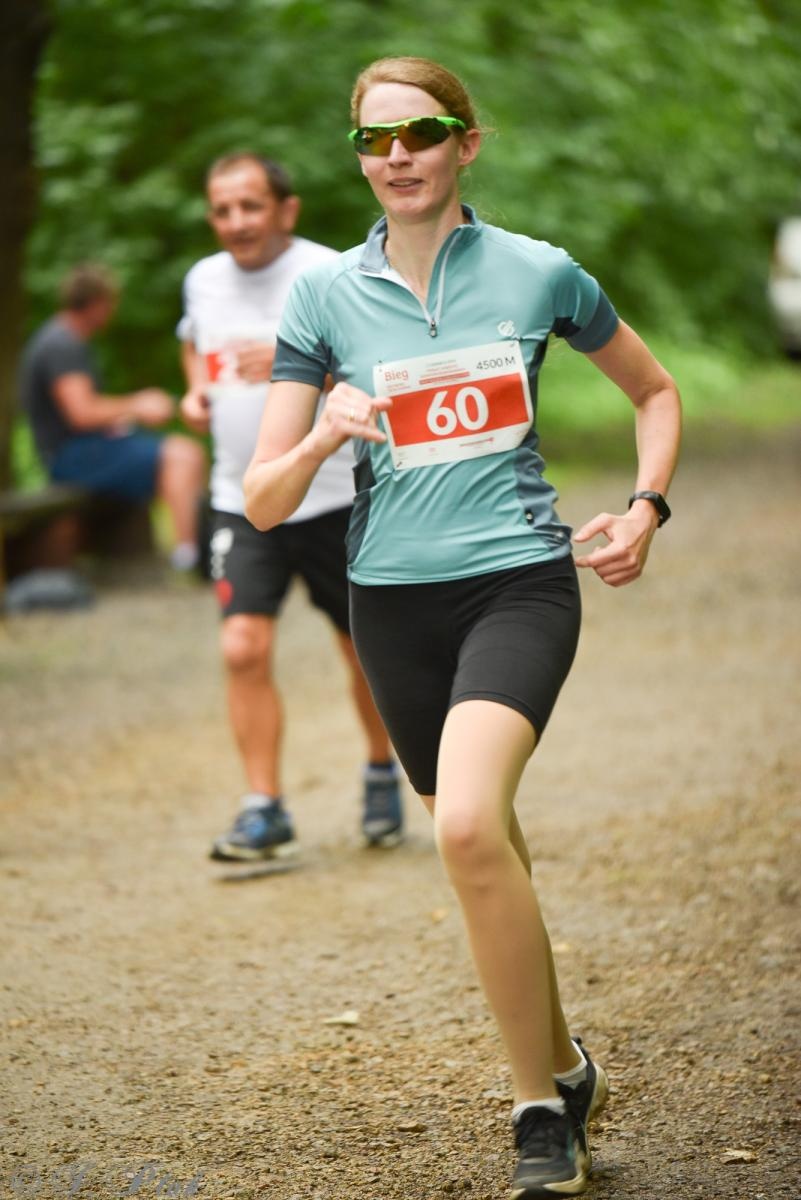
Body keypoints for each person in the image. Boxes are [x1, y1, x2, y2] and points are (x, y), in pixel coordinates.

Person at [242, 57, 681, 1198]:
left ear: (465, 143)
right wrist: (321, 437)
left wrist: (645, 507)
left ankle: (537, 1110)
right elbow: (262, 500)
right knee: (491, 845)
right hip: (389, 601)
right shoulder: (323, 297)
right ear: (359, 156)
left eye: (421, 134)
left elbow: (655, 391)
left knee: (469, 829)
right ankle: (569, 1061)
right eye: (374, 141)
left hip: (518, 584)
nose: (397, 156)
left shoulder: (537, 274)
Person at [178, 152, 403, 861]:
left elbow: (378, 370)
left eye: (250, 206)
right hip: (238, 500)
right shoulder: (202, 280)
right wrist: (194, 391)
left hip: (334, 499)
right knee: (241, 646)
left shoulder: (328, 274)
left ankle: (379, 770)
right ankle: (263, 807)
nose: (235, 222)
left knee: (359, 650)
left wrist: (290, 362)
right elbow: (193, 344)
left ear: (286, 209)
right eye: (222, 210)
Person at [19, 264, 206, 571]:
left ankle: (193, 548)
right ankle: (189, 557)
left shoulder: (65, 338)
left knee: (181, 453)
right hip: (70, 458)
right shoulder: (61, 344)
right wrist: (138, 404)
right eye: (110, 303)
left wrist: (120, 419)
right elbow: (82, 413)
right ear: (96, 303)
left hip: (86, 450)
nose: (112, 311)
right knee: (183, 455)